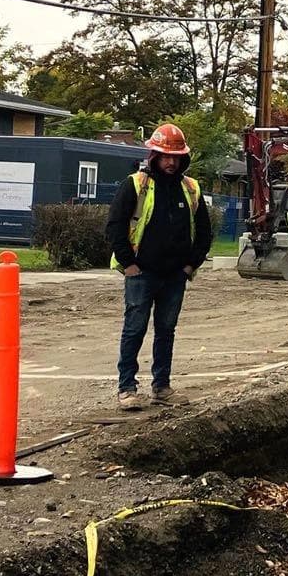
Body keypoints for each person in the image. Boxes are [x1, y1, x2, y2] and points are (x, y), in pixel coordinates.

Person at [107, 122, 213, 410]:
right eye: (166, 156)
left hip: (175, 275)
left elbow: (204, 232)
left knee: (166, 330)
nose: (171, 162)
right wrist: (129, 264)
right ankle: (126, 388)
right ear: (154, 155)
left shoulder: (190, 189)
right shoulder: (135, 185)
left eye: (176, 157)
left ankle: (161, 387)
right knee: (134, 329)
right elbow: (115, 226)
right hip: (141, 273)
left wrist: (190, 265)